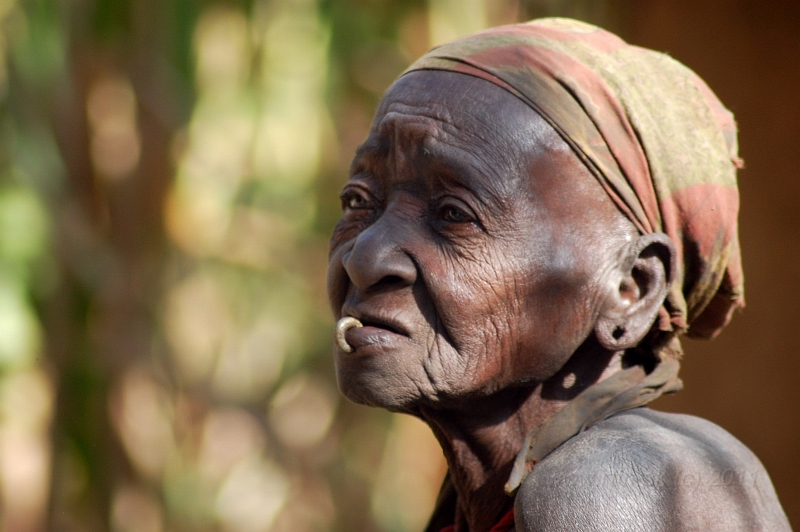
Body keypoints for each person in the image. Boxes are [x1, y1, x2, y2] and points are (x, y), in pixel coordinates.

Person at [327, 18, 791, 532]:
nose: (363, 259)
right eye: (358, 201)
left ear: (630, 288)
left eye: (454, 214)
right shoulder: (479, 505)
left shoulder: (604, 485)